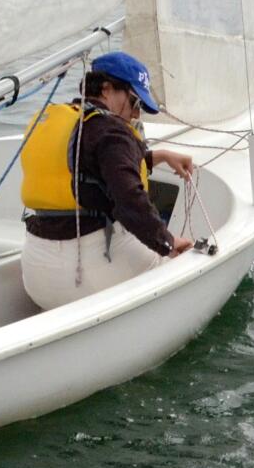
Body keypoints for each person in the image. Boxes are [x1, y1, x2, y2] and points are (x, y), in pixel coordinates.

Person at [20, 51, 196, 310]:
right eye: (135, 102)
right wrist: (168, 242)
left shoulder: (61, 119)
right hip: (84, 277)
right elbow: (129, 201)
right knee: (185, 257)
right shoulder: (111, 131)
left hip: (36, 276)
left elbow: (88, 170)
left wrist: (156, 157)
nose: (136, 115)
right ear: (106, 90)